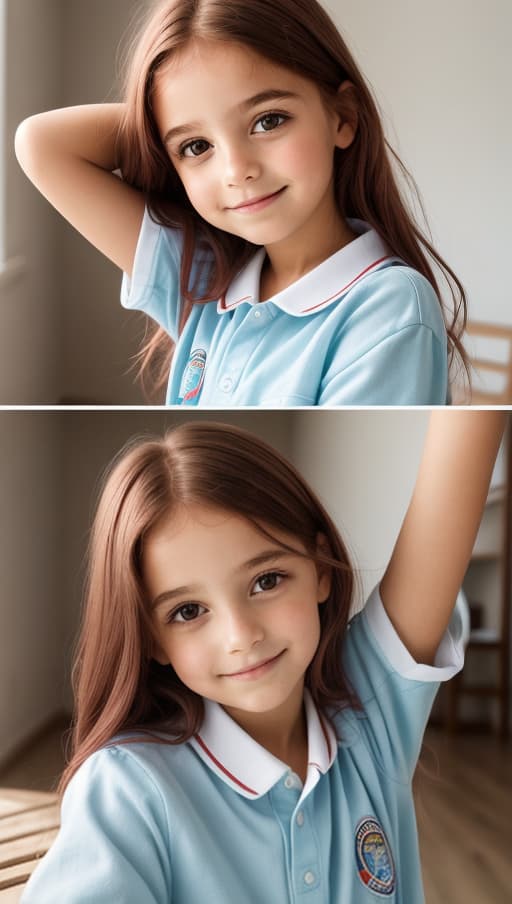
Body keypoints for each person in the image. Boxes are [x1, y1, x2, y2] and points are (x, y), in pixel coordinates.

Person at [21, 411, 504, 903]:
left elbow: (467, 438)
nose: (241, 635)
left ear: (319, 568)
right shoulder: (127, 790)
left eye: (266, 581)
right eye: (188, 611)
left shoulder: (370, 717)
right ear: (152, 639)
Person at [15, 0, 467, 406]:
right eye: (196, 147)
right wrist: (164, 122)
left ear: (342, 116)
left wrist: (194, 121)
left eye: (268, 121)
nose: (236, 171)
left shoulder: (387, 307)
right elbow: (40, 145)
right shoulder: (206, 280)